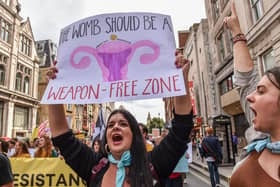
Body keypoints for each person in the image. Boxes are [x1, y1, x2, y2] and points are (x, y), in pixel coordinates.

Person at [46, 51, 193, 186]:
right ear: (107, 139)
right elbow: (62, 137)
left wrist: (180, 78)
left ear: (134, 134)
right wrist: (53, 87)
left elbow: (181, 128)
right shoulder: (94, 167)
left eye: (123, 124)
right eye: (110, 125)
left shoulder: (152, 164)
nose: (115, 127)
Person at [224, 1, 280, 187]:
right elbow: (246, 82)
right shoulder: (244, 172)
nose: (250, 97)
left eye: (262, 91)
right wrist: (236, 32)